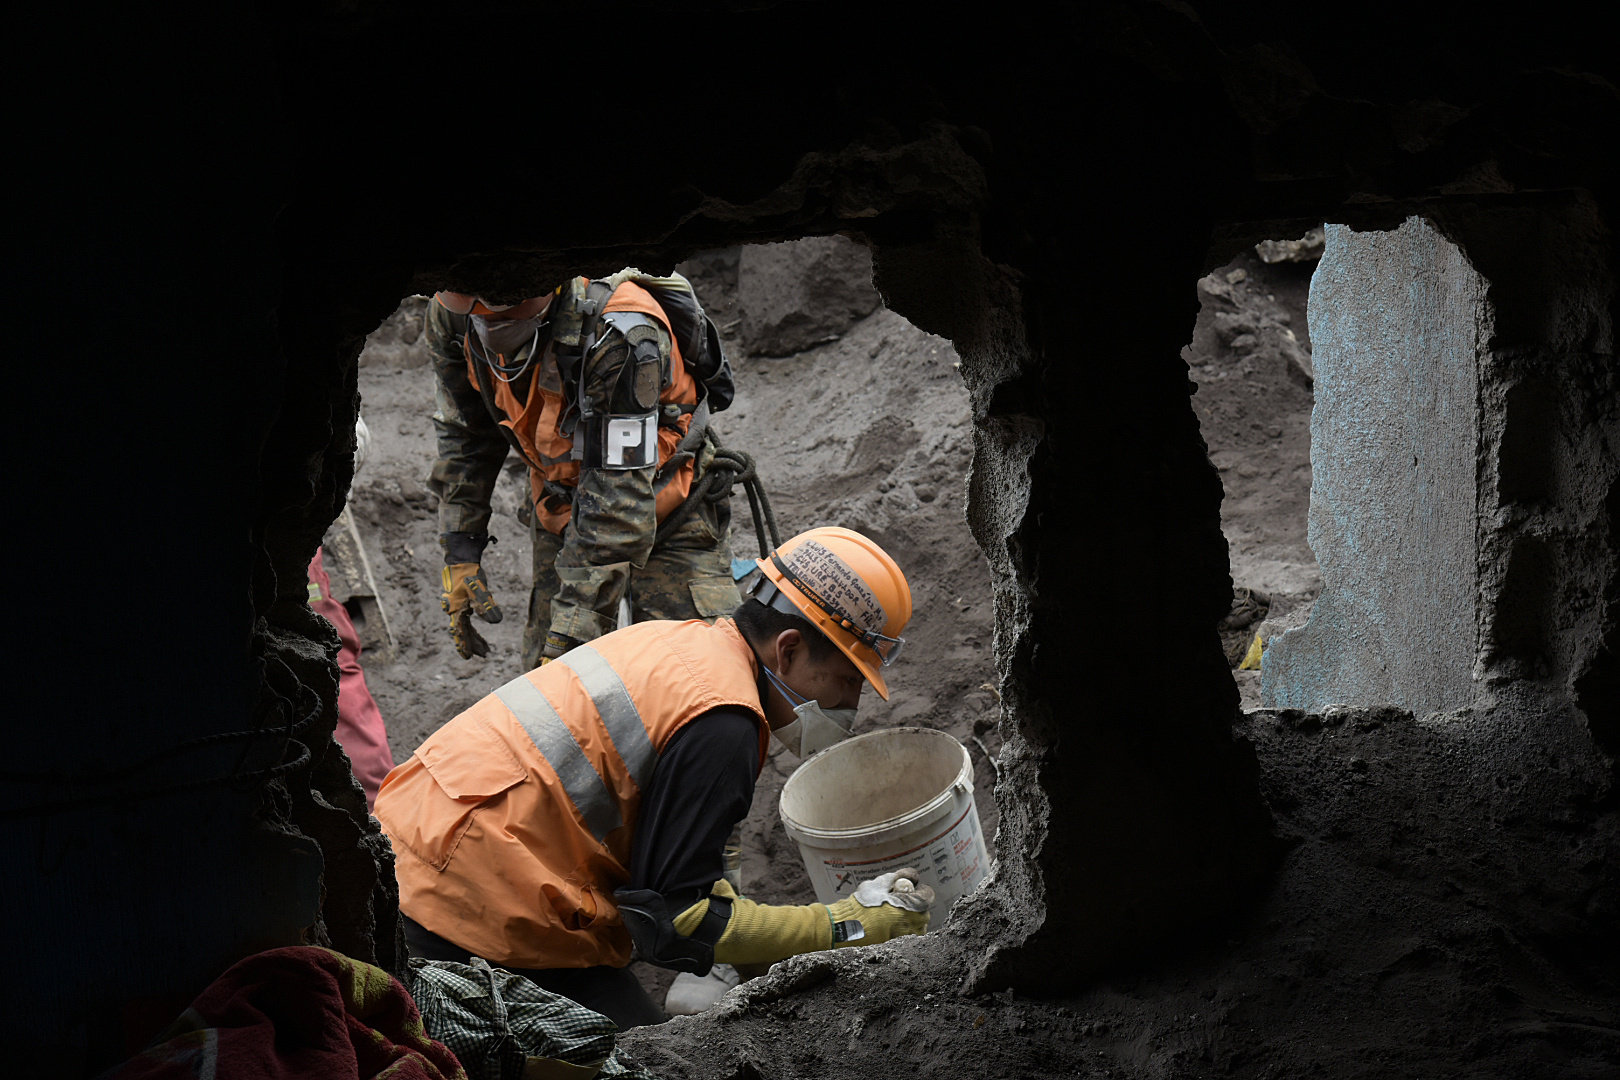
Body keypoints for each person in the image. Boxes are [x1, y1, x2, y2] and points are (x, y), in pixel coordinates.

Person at [373, 527, 933, 1028]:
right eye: (845, 680)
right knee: (638, 1058)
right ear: (787, 650)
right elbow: (674, 922)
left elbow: (671, 864)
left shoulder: (679, 644)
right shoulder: (725, 723)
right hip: (464, 904)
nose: (847, 705)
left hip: (411, 844)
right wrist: (849, 924)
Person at [426, 272, 742, 671]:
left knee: (697, 678)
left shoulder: (622, 335)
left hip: (669, 506)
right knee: (549, 691)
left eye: (502, 302)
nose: (486, 313)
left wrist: (573, 632)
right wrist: (461, 546)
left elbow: (618, 505)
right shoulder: (451, 314)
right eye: (471, 303)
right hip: (560, 504)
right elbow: (466, 433)